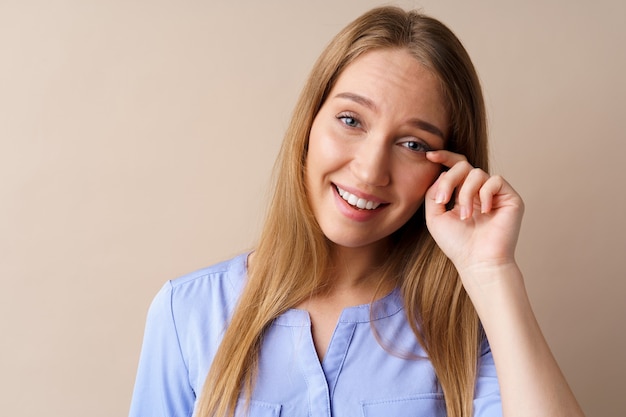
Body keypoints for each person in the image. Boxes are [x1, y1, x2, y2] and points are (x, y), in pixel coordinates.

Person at [129, 6, 584, 417]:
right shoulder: (186, 313)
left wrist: (492, 269)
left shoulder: (465, 325)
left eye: (413, 144)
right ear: (310, 124)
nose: (369, 172)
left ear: (447, 170)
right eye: (351, 120)